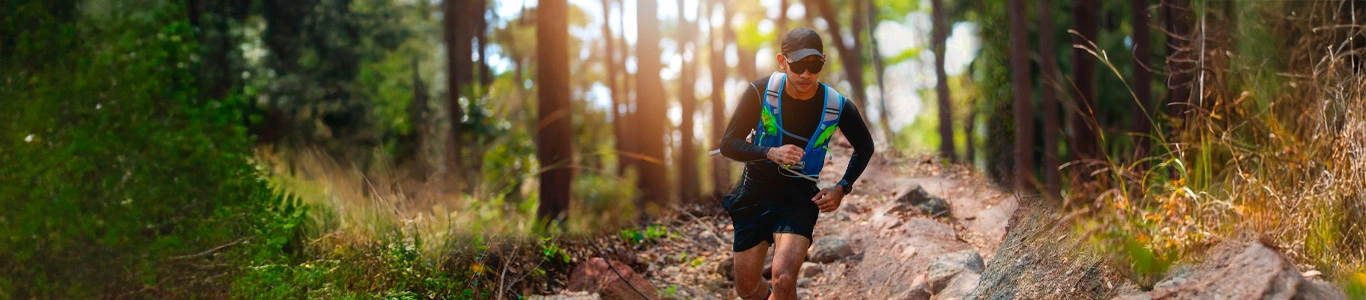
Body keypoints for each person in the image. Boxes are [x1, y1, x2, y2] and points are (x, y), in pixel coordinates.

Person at [718, 27, 875, 299]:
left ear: (823, 61)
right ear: (782, 61)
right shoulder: (759, 91)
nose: (806, 74)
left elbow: (865, 147)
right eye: (799, 65)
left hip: (798, 198)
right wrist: (769, 152)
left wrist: (842, 188)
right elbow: (728, 144)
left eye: (814, 66)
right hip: (753, 193)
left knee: (784, 279)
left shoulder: (837, 105)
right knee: (746, 289)